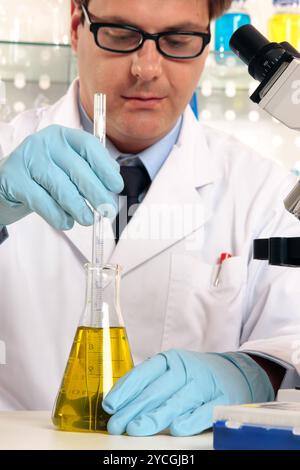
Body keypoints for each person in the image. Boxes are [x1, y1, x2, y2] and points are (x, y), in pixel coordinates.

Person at [0, 0, 300, 437]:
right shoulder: (7, 159)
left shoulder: (263, 191)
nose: (146, 68)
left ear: (206, 42)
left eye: (178, 41)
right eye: (121, 35)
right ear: (75, 26)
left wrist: (248, 374)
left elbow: (289, 341)